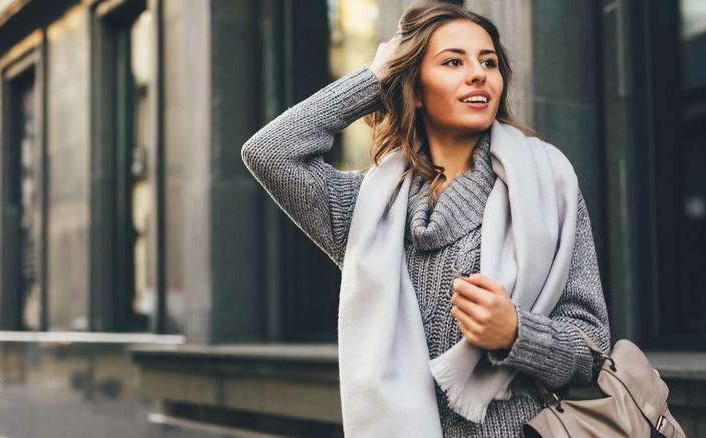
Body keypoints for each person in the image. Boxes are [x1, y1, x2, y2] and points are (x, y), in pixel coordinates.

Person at [242, 2, 610, 437]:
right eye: (454, 61)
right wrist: (375, 78)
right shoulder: (365, 210)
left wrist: (516, 333)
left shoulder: (547, 185)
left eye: (488, 62)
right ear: (415, 89)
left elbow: (592, 353)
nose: (478, 74)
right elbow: (270, 152)